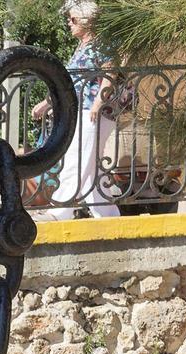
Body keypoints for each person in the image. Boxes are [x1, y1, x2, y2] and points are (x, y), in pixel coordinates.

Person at [32, 1, 121, 220]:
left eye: (72, 19)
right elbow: (72, 82)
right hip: (81, 110)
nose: (68, 23)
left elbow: (111, 74)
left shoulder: (101, 44)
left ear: (87, 21)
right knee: (92, 168)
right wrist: (48, 104)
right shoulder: (81, 46)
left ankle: (61, 211)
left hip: (92, 112)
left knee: (77, 159)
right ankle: (108, 215)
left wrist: (98, 104)